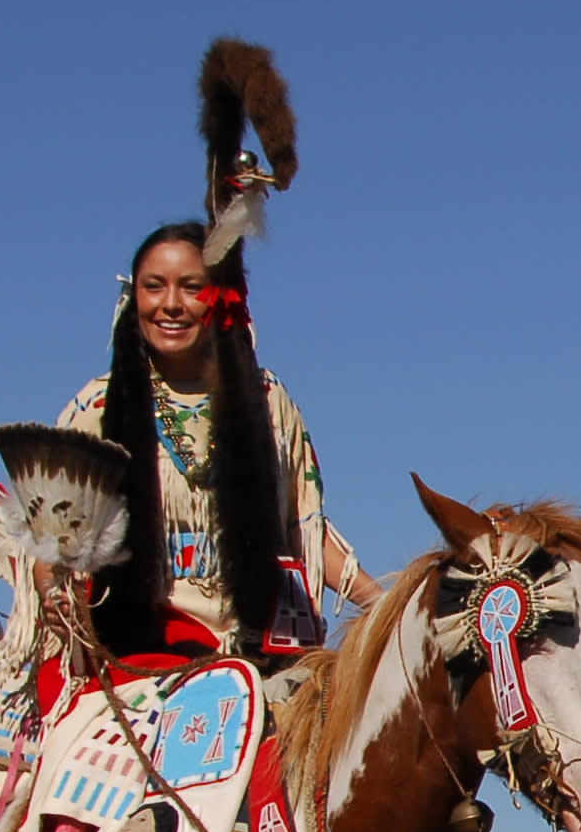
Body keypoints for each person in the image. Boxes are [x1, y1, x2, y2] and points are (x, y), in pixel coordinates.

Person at [58, 221, 380, 665]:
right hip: (138, 656)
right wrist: (55, 595)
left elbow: (302, 526)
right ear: (134, 298)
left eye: (191, 287)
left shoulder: (267, 402)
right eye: (155, 287)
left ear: (223, 299)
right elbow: (52, 539)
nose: (171, 304)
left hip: (257, 653)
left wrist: (381, 604)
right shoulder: (95, 407)